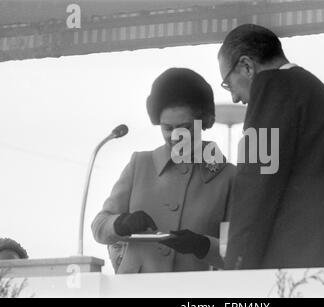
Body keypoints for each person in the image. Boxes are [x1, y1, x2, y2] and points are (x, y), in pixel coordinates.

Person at [217, 24, 324, 269]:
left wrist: (237, 270)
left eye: (229, 84)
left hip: (300, 268)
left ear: (247, 66)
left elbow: (256, 186)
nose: (235, 98)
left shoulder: (273, 88)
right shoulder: (312, 92)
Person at [92, 68, 235, 273]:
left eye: (185, 127)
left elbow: (237, 254)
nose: (176, 136)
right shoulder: (139, 164)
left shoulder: (228, 178)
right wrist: (121, 223)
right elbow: (99, 227)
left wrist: (202, 245)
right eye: (168, 128)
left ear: (204, 123)